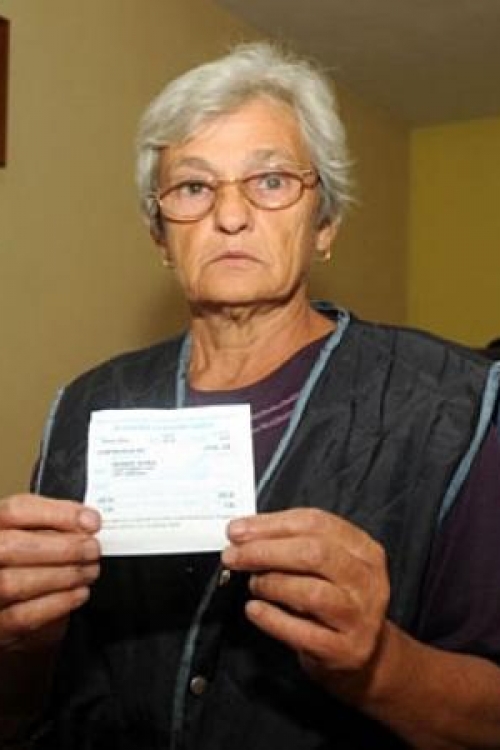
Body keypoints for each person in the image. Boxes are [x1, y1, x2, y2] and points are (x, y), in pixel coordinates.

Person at [1, 41, 500, 750]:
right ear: (161, 237)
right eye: (193, 188)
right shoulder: (87, 407)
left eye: (270, 180)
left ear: (325, 223)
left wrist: (379, 665)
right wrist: (21, 637)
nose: (229, 215)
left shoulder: (454, 406)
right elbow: (30, 704)